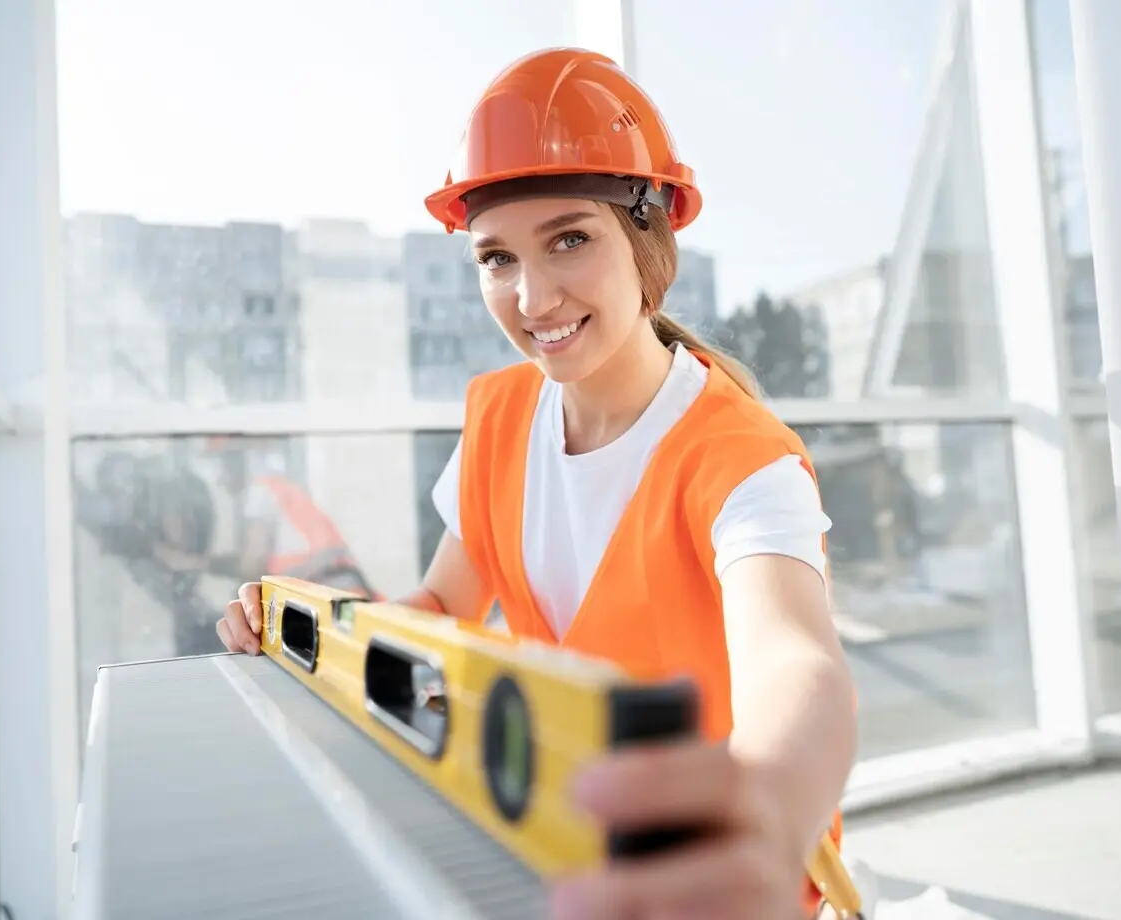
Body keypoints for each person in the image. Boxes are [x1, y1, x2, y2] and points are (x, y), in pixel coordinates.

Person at [219, 47, 858, 920]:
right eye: (496, 259)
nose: (532, 297)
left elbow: (794, 665)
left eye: (569, 240)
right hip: (559, 851)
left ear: (648, 240)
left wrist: (769, 808)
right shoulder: (500, 417)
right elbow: (444, 607)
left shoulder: (742, 457)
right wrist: (302, 628)